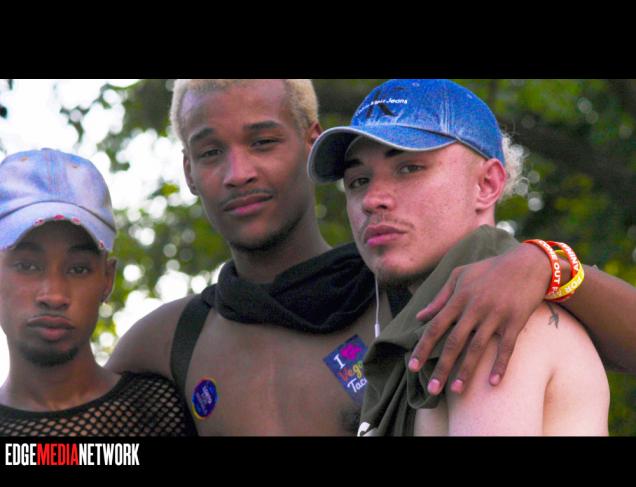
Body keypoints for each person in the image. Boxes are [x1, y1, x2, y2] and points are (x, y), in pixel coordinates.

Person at [108, 79, 634, 436]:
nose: (238, 172)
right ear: (187, 170)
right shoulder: (173, 337)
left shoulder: (469, 306)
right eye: (358, 180)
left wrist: (549, 265)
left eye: (409, 168)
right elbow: (71, 438)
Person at [308, 78, 610, 436]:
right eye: (358, 181)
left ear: (486, 185)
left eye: (409, 168)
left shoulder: (494, 321)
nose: (372, 200)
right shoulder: (435, 325)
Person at [0, 148, 196, 436]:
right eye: (27, 266)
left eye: (78, 269)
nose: (54, 295)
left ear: (107, 278)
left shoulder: (167, 412)